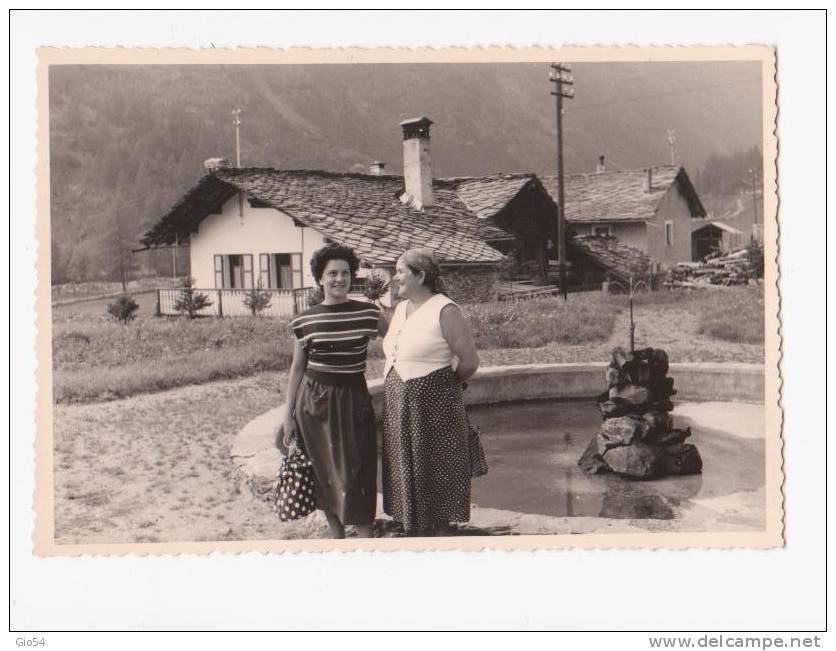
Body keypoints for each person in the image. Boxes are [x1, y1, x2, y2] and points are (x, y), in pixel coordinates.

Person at [281, 244, 387, 539]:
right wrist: (288, 415)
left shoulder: (369, 313)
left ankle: (365, 535)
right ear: (320, 279)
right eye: (332, 274)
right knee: (322, 468)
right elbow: (297, 369)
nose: (339, 279)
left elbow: (399, 342)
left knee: (359, 469)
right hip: (314, 403)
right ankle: (335, 534)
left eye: (345, 273)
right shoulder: (304, 320)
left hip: (354, 399)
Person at [381, 248, 480, 536]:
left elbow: (470, 362)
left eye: (401, 271)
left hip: (434, 411)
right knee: (409, 484)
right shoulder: (400, 310)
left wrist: (441, 388)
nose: (395, 277)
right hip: (399, 408)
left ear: (421, 275)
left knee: (437, 483)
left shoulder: (445, 310)